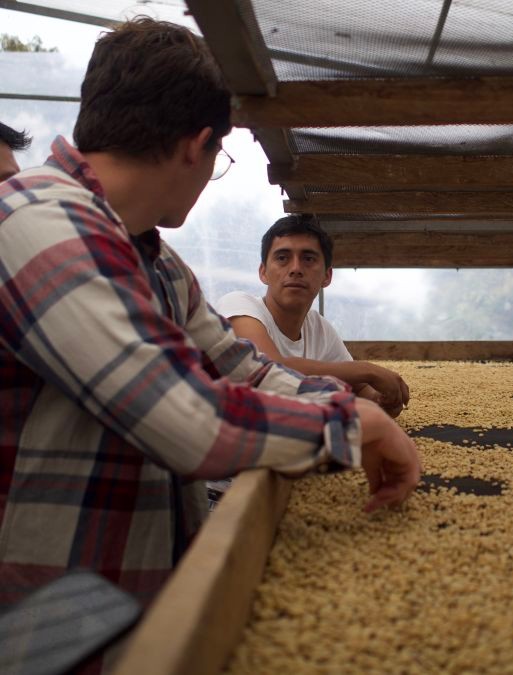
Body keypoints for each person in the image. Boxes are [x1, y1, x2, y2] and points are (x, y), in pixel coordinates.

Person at [0, 17, 420, 633]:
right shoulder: (35, 225)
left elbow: (242, 370)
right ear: (196, 146)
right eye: (218, 157)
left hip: (141, 593)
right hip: (50, 622)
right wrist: (351, 423)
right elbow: (186, 422)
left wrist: (345, 405)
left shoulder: (157, 260)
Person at [217, 214, 410, 418]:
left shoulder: (319, 328)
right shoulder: (238, 305)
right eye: (282, 258)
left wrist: (381, 402)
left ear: (327, 276)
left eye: (308, 259)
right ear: (263, 272)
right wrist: (368, 370)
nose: (296, 269)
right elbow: (267, 369)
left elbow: (360, 389)